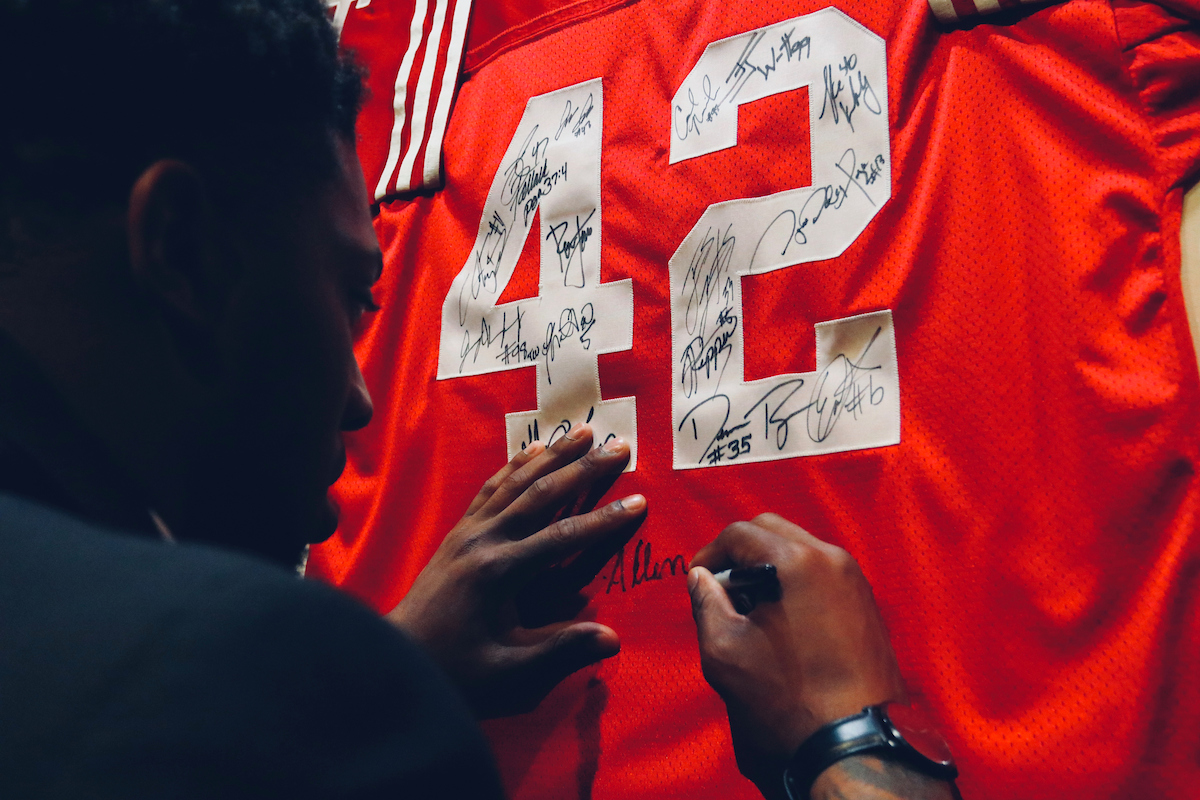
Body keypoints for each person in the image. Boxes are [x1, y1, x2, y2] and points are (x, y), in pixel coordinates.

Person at [0, 0, 958, 798]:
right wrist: (853, 746)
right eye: (349, 296)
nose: (359, 395)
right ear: (180, 251)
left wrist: (373, 671)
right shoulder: (223, 695)